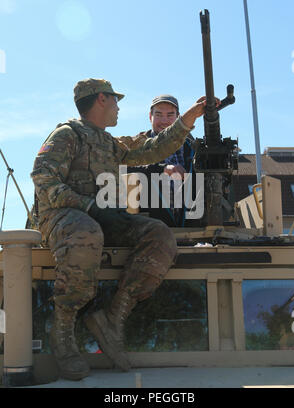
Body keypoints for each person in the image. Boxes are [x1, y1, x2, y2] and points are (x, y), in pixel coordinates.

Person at [31, 78, 208, 381]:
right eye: (115, 101)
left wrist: (188, 118)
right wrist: (89, 206)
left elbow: (153, 149)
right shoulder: (66, 135)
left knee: (159, 234)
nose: (118, 107)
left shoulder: (109, 143)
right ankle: (63, 330)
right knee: (86, 233)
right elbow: (43, 179)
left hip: (102, 218)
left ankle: (114, 318)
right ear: (101, 99)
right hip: (63, 219)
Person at [123, 95, 196, 227]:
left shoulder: (193, 149)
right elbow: (122, 168)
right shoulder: (135, 145)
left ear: (178, 118)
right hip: (149, 228)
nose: (164, 120)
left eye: (170, 115)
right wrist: (160, 169)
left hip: (190, 231)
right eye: (159, 115)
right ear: (150, 117)